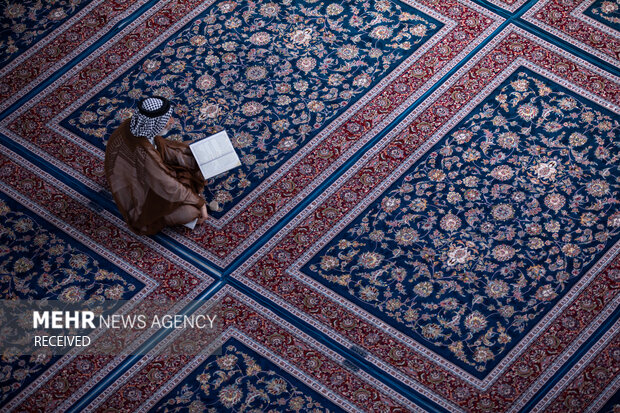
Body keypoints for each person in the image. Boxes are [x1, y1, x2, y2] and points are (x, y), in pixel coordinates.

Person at [104, 96, 208, 235]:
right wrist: (199, 203)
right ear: (155, 123)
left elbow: (160, 147)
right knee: (190, 212)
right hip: (141, 193)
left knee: (192, 154)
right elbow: (167, 186)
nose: (171, 121)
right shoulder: (143, 151)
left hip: (149, 173)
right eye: (167, 119)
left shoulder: (135, 125)